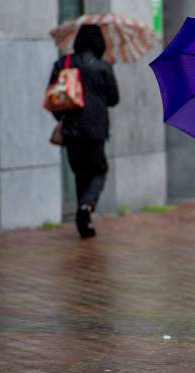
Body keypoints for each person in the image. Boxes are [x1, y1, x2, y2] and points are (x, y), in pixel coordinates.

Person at [48, 24, 119, 238]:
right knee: (99, 171)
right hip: (96, 130)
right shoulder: (103, 66)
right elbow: (114, 99)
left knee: (80, 173)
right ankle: (86, 206)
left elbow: (53, 98)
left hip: (72, 129)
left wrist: (63, 119)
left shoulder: (64, 63)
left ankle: (83, 222)